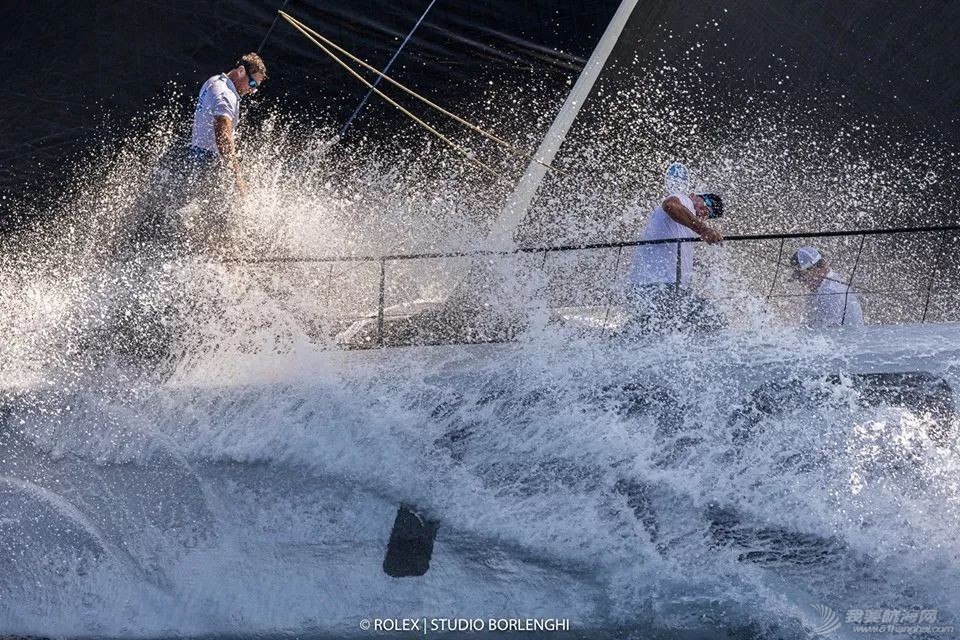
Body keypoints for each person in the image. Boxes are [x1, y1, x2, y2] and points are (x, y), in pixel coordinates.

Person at [624, 184, 725, 332]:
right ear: (694, 195)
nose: (705, 212)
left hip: (659, 287)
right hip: (659, 286)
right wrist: (704, 229)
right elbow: (670, 205)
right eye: (707, 204)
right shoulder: (684, 200)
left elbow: (672, 251)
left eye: (710, 215)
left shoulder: (685, 223)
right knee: (713, 320)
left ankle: (614, 345)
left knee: (653, 330)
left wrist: (699, 265)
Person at [189, 53, 268, 197]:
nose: (252, 91)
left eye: (255, 88)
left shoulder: (214, 81)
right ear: (241, 71)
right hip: (208, 161)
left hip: (196, 154)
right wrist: (237, 177)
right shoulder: (226, 95)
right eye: (252, 84)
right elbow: (223, 137)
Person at [790, 246, 864, 327]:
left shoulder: (829, 293)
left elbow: (828, 334)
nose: (802, 283)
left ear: (815, 270)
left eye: (802, 278)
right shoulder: (828, 284)